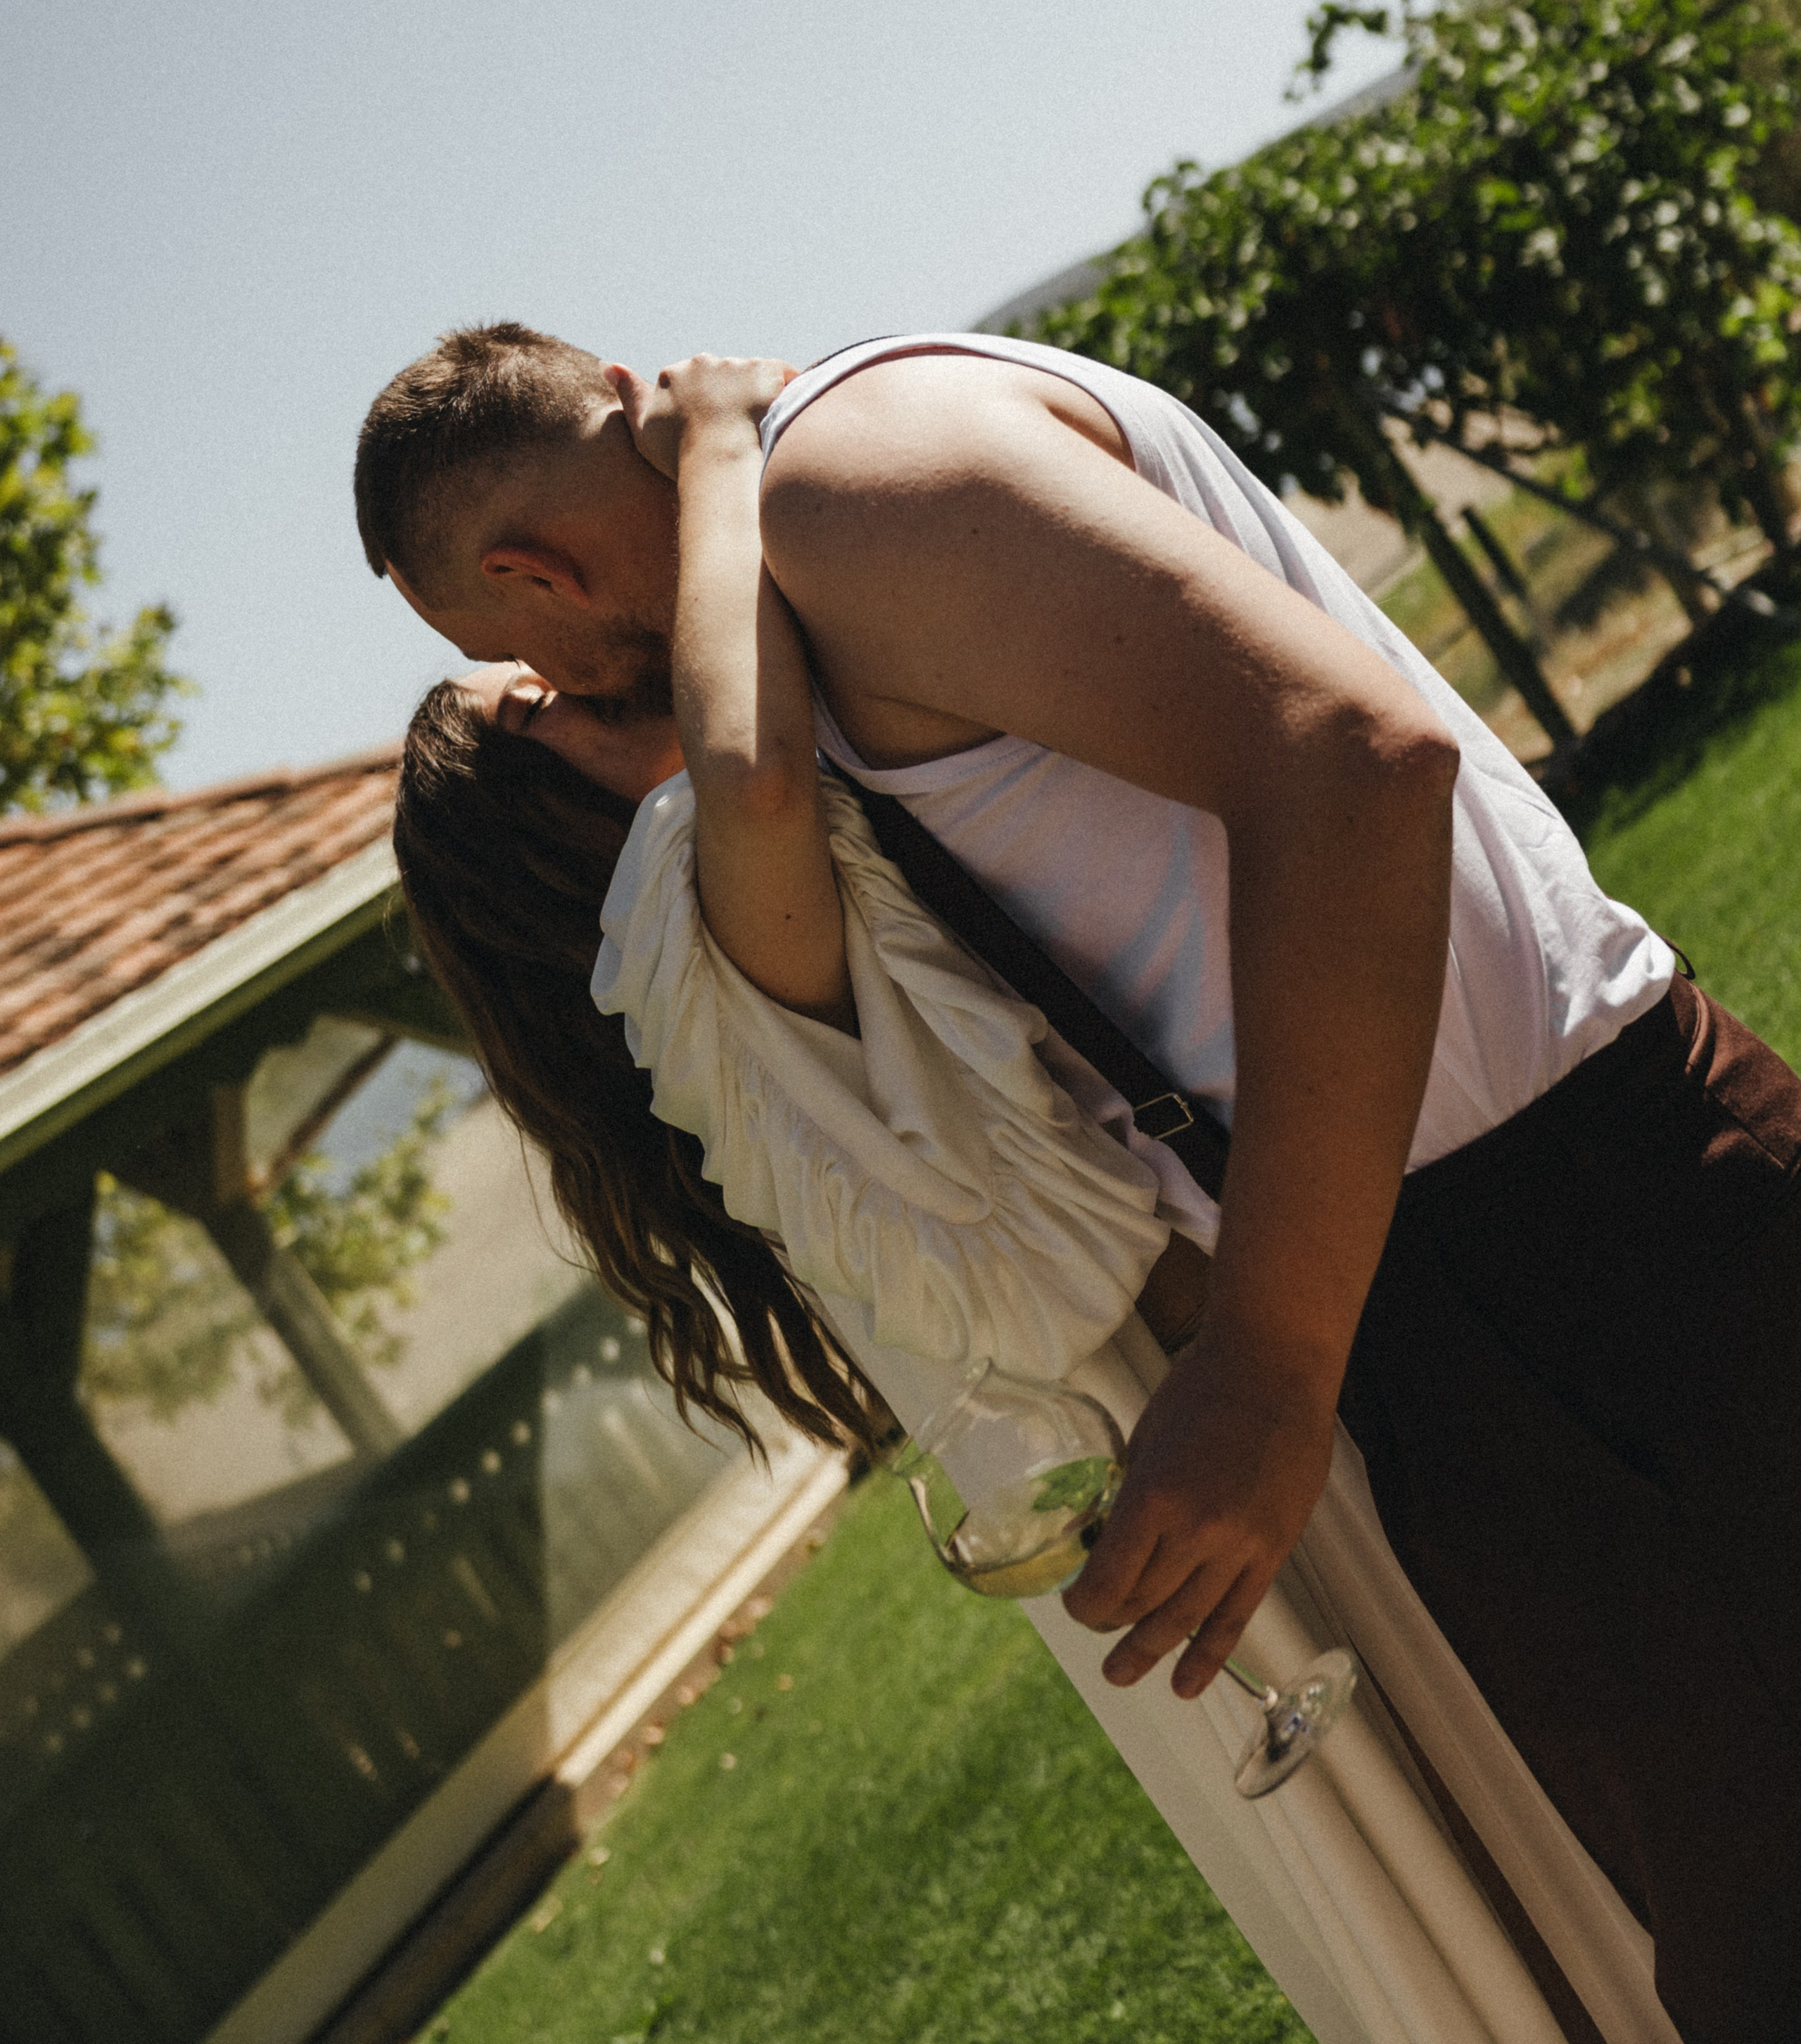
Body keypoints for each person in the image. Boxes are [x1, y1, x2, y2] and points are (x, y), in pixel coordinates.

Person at [364, 322, 1801, 2043]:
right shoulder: (839, 526)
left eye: (513, 650)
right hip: (1492, 1276)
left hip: (1566, 1270)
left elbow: (1353, 760)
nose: (577, 684)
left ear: (521, 571)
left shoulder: (835, 490)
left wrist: (1266, 1358)